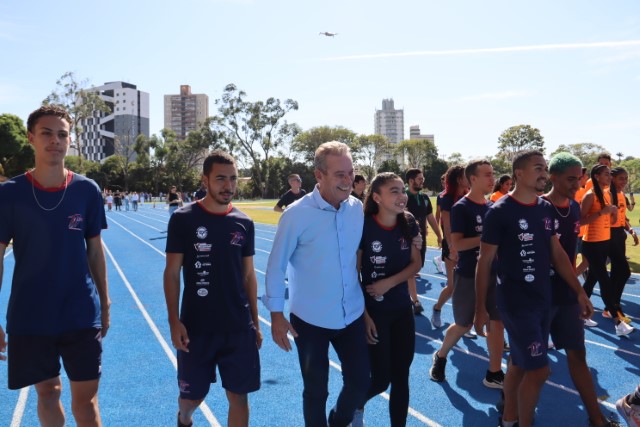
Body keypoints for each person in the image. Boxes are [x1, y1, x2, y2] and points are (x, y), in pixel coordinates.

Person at [0, 105, 110, 427]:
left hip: (79, 311)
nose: (55, 141)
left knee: (86, 402)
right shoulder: (8, 195)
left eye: (62, 134)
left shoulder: (87, 190)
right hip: (31, 314)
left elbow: (95, 250)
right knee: (47, 392)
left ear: (69, 140)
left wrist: (104, 302)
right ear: (31, 137)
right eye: (46, 133)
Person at [474, 150, 593, 427]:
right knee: (539, 370)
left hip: (543, 299)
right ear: (518, 173)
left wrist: (579, 291)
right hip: (516, 304)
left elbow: (558, 253)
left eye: (545, 168)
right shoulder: (499, 211)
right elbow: (485, 261)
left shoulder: (543, 208)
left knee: (521, 364)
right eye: (538, 168)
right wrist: (480, 308)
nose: (543, 174)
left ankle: (509, 419)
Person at [264, 141, 370, 427]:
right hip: (310, 320)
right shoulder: (296, 215)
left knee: (361, 381)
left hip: (352, 314)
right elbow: (275, 266)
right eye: (339, 174)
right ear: (319, 176)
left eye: (351, 173)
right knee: (316, 391)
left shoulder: (356, 209)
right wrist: (276, 314)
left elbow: (355, 260)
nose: (348, 181)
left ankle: (338, 421)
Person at [163, 150, 262, 427]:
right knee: (193, 397)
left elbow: (249, 276)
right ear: (205, 180)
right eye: (220, 179)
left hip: (237, 327)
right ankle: (184, 418)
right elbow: (172, 273)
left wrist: (255, 322)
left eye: (232, 179)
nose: (228, 186)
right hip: (197, 327)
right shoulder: (183, 219)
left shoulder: (244, 223)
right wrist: (174, 321)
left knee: (239, 396)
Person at [543, 153, 622, 427]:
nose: (578, 183)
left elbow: (568, 250)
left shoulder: (575, 208)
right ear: (553, 177)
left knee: (578, 353)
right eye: (571, 178)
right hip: (539, 294)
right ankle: (510, 410)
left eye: (580, 178)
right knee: (530, 365)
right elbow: (553, 255)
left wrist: (577, 289)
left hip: (565, 291)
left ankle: (597, 418)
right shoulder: (539, 207)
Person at [429, 160, 505, 388]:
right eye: (487, 175)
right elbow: (458, 244)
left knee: (497, 321)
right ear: (473, 179)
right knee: (463, 324)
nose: (492, 179)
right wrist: (487, 240)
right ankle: (441, 355)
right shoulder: (462, 207)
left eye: (493, 174)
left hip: (493, 273)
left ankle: (494, 372)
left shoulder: (492, 207)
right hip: (469, 275)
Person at [356, 172, 421, 427]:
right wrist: (365, 316)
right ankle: (351, 405)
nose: (401, 195)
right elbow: (353, 274)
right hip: (374, 313)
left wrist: (388, 283)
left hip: (402, 309)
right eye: (393, 191)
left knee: (401, 376)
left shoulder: (409, 223)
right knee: (381, 379)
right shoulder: (364, 225)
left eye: (402, 190)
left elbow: (417, 263)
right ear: (376, 197)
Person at [580, 164, 633, 336]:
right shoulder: (590, 195)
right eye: (606, 174)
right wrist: (602, 212)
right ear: (596, 176)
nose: (609, 177)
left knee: (592, 280)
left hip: (604, 243)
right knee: (605, 282)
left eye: (610, 174)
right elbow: (580, 222)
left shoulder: (607, 194)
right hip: (591, 244)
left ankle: (580, 312)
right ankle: (618, 322)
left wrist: (615, 215)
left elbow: (609, 221)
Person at [431, 165, 469, 329]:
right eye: (466, 175)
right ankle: (437, 308)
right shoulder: (446, 198)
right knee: (453, 286)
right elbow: (446, 225)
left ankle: (464, 323)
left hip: (469, 245)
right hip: (453, 245)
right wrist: (452, 248)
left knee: (469, 287)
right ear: (459, 179)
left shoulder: (470, 196)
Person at [405, 168, 442, 315]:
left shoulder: (425, 198)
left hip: (421, 239)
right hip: (406, 240)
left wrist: (439, 235)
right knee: (410, 270)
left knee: (417, 267)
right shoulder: (403, 197)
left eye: (423, 178)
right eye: (420, 179)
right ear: (411, 181)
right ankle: (415, 301)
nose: (423, 181)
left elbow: (430, 217)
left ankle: (410, 296)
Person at [609, 168, 638, 322]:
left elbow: (623, 216)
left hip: (619, 235)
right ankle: (614, 307)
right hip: (609, 236)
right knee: (624, 272)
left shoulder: (621, 195)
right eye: (621, 178)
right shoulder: (608, 194)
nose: (624, 181)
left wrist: (630, 230)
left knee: (614, 273)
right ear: (612, 178)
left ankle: (610, 308)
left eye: (626, 178)